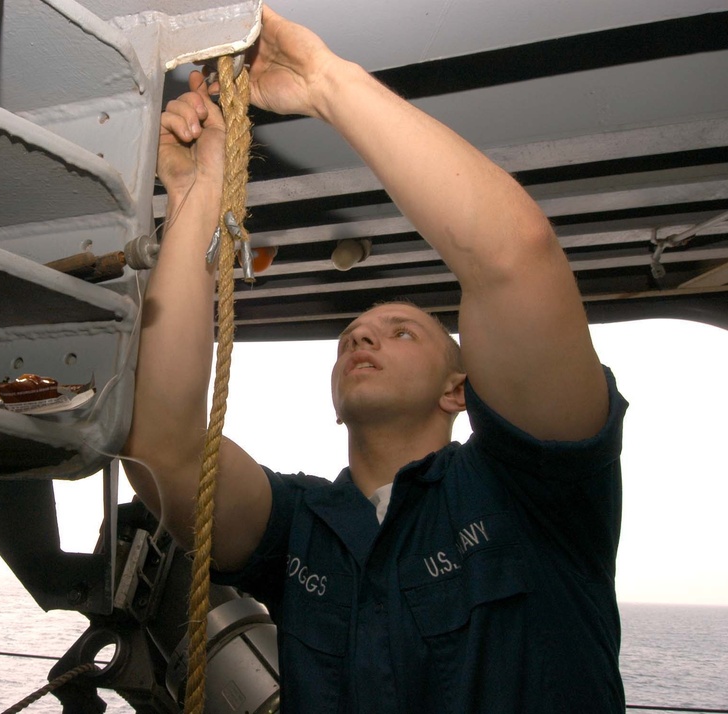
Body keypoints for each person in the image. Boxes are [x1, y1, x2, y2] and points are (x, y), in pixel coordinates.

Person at [122, 6, 628, 712]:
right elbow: (163, 450)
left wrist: (326, 82)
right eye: (352, 335)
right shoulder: (302, 526)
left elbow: (513, 259)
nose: (362, 337)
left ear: (460, 390)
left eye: (402, 332)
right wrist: (196, 198)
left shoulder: (536, 496)